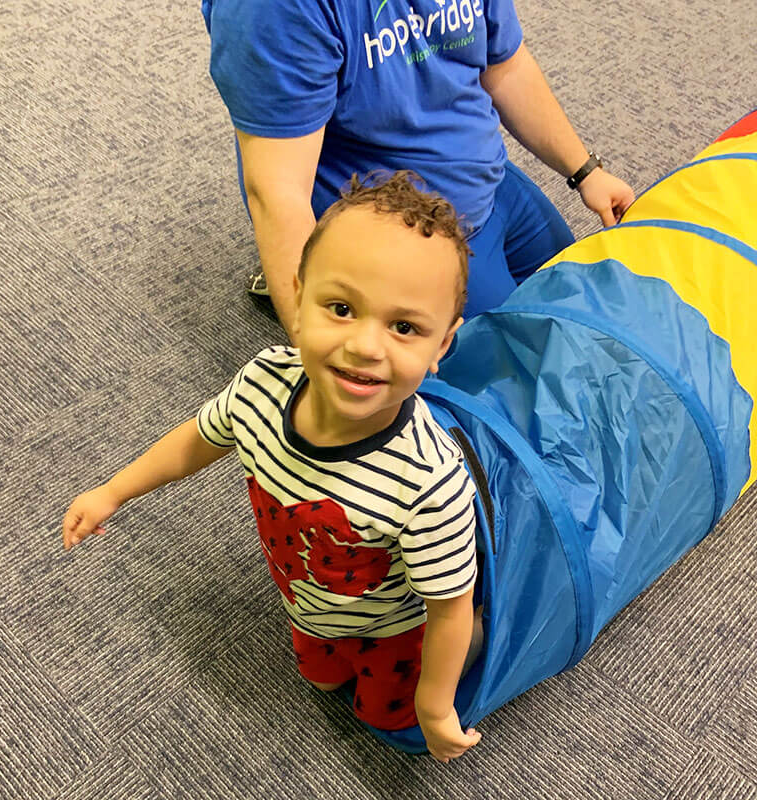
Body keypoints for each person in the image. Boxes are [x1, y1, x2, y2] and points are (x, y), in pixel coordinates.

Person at [63, 172, 485, 763]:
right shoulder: (264, 378)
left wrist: (437, 705)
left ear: (441, 347)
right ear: (298, 293)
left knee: (385, 716)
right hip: (308, 600)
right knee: (322, 680)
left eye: (404, 326)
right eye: (340, 308)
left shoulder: (429, 478)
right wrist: (115, 490)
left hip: (398, 627)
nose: (366, 345)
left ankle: (476, 646)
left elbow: (447, 607)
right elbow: (197, 441)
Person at [201, 0, 635, 335]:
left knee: (581, 310)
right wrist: (315, 330)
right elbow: (276, 190)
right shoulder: (270, 10)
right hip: (402, 232)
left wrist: (585, 171)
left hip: (488, 181)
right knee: (511, 380)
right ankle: (332, 281)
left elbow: (506, 63)